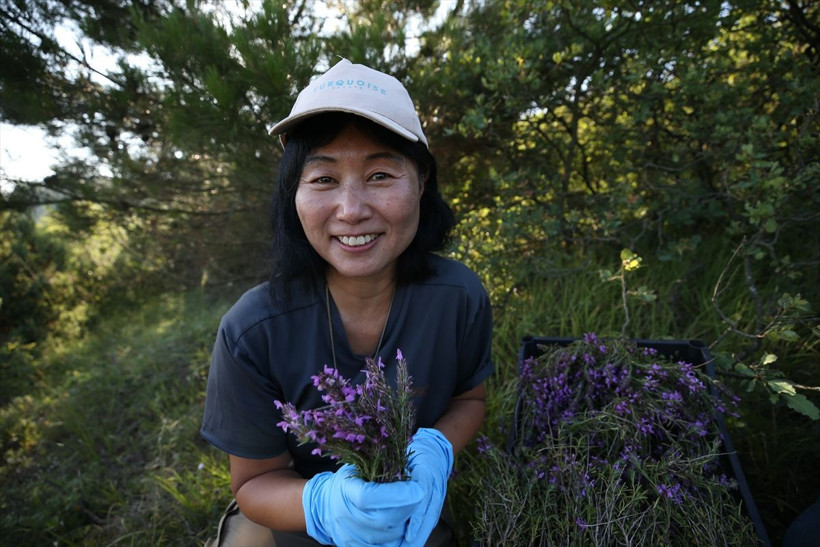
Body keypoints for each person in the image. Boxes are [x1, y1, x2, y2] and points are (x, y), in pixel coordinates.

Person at [201, 58, 494, 546]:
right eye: (323, 179)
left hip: (414, 522)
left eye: (380, 174)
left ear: (421, 180)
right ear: (293, 193)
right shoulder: (252, 330)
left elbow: (469, 399)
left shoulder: (459, 297)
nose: (352, 210)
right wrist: (325, 507)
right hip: (291, 526)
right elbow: (254, 482)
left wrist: (436, 447)